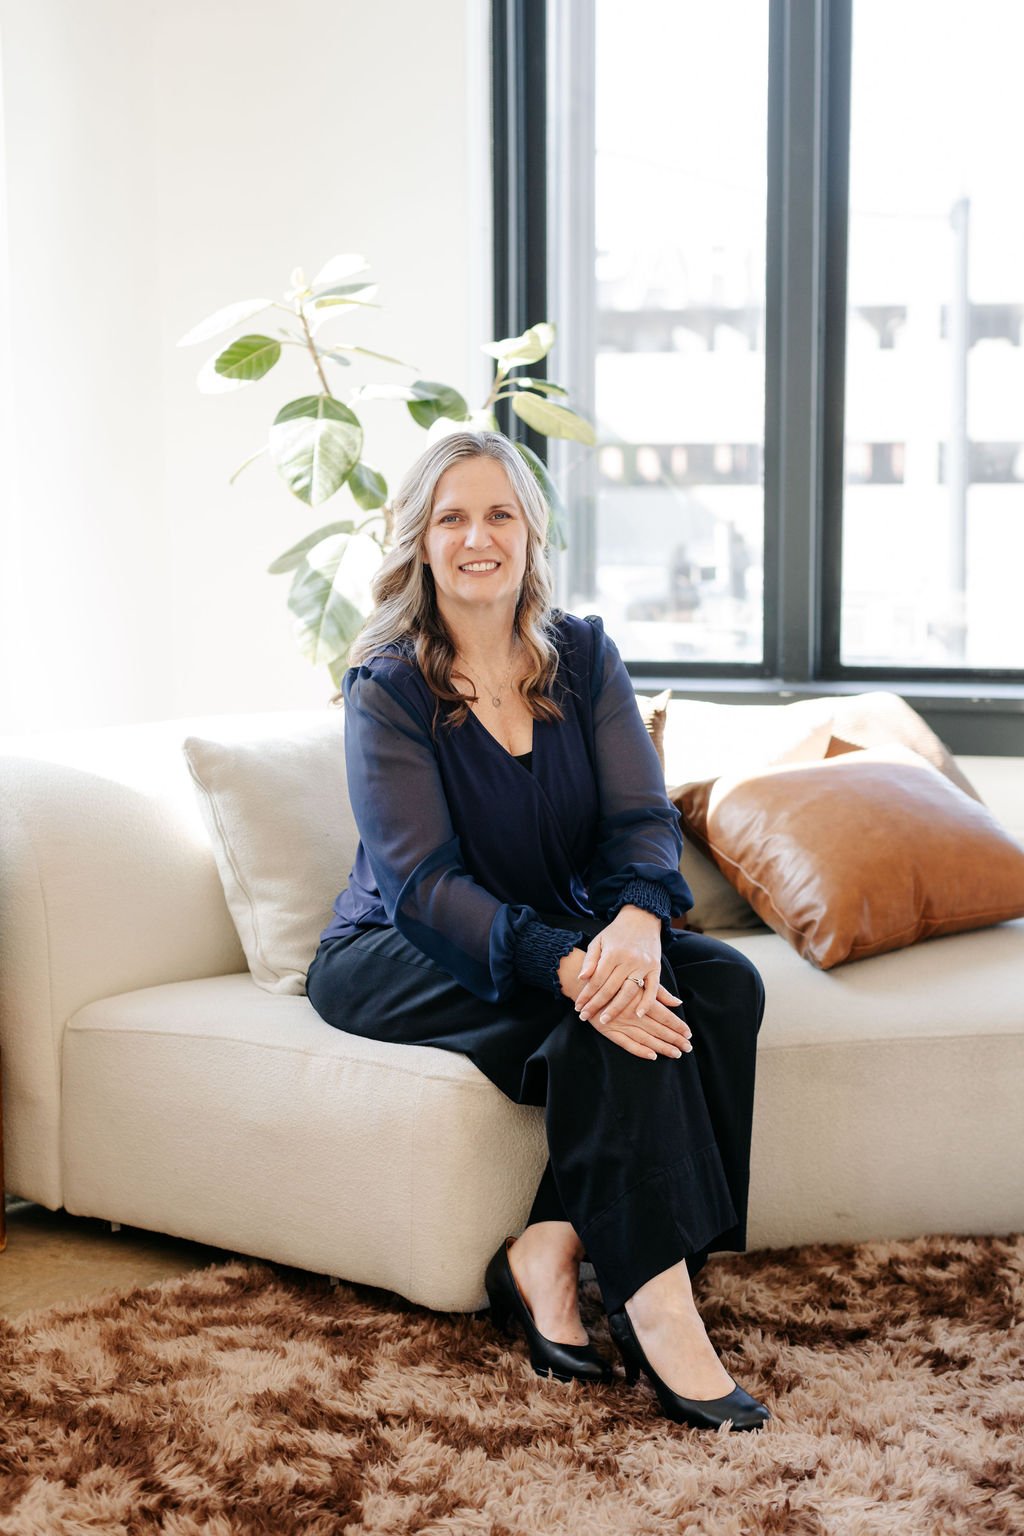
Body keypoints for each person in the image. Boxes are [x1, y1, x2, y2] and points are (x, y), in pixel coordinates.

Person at [305, 429, 770, 1433]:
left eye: (499, 513)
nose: (478, 536)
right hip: (400, 951)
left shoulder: (585, 654)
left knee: (724, 984)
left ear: (531, 531)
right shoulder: (387, 687)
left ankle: (550, 1247)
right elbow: (424, 885)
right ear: (421, 544)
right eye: (452, 517)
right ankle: (659, 1305)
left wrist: (640, 924)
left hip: (553, 928)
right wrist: (574, 969)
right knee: (600, 1023)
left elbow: (639, 819)